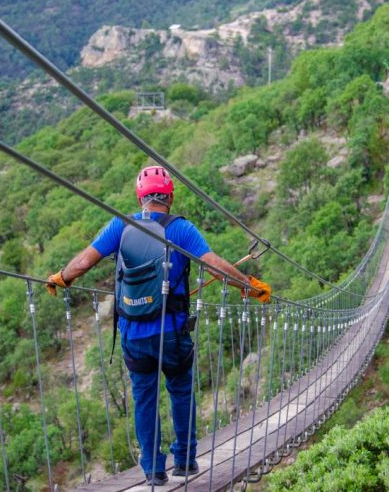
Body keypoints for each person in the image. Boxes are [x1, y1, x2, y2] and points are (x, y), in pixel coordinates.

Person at [46, 166, 271, 486]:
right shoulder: (180, 229)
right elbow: (215, 266)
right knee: (180, 391)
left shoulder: (119, 225)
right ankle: (185, 461)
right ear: (170, 197)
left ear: (140, 197)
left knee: (145, 398)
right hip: (173, 332)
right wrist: (250, 286)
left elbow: (84, 262)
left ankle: (153, 469)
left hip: (134, 333)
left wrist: (61, 277)